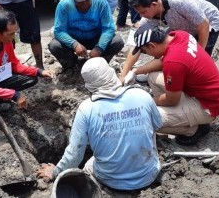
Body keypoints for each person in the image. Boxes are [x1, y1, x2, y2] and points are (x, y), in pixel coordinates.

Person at [36, 57, 162, 191]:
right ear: (112, 73)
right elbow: (157, 124)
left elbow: (74, 156)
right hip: (149, 175)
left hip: (112, 182)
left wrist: (55, 172)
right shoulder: (142, 95)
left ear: (89, 85)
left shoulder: (86, 109)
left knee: (88, 167)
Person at [127, 24, 219, 145]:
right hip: (210, 93)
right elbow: (162, 61)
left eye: (145, 51)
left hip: (209, 106)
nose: (148, 54)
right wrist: (135, 71)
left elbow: (172, 100)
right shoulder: (179, 35)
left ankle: (193, 129)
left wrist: (146, 101)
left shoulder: (173, 61)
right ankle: (177, 115)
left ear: (152, 45)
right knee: (153, 77)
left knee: (148, 118)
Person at [119, 0, 219, 82]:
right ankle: (157, 73)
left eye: (143, 12)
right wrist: (123, 74)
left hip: (208, 24)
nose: (141, 16)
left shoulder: (181, 2)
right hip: (182, 27)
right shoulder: (148, 16)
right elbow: (136, 44)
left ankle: (198, 83)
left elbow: (204, 25)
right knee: (165, 47)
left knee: (196, 61)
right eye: (139, 13)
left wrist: (198, 53)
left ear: (154, 5)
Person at [48, 0, 124, 70]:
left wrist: (99, 48)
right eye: (80, 1)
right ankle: (73, 65)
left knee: (117, 41)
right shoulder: (64, 5)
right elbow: (59, 31)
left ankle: (100, 63)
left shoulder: (101, 2)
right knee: (54, 45)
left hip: (96, 38)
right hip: (73, 38)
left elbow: (108, 28)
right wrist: (74, 44)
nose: (85, 4)